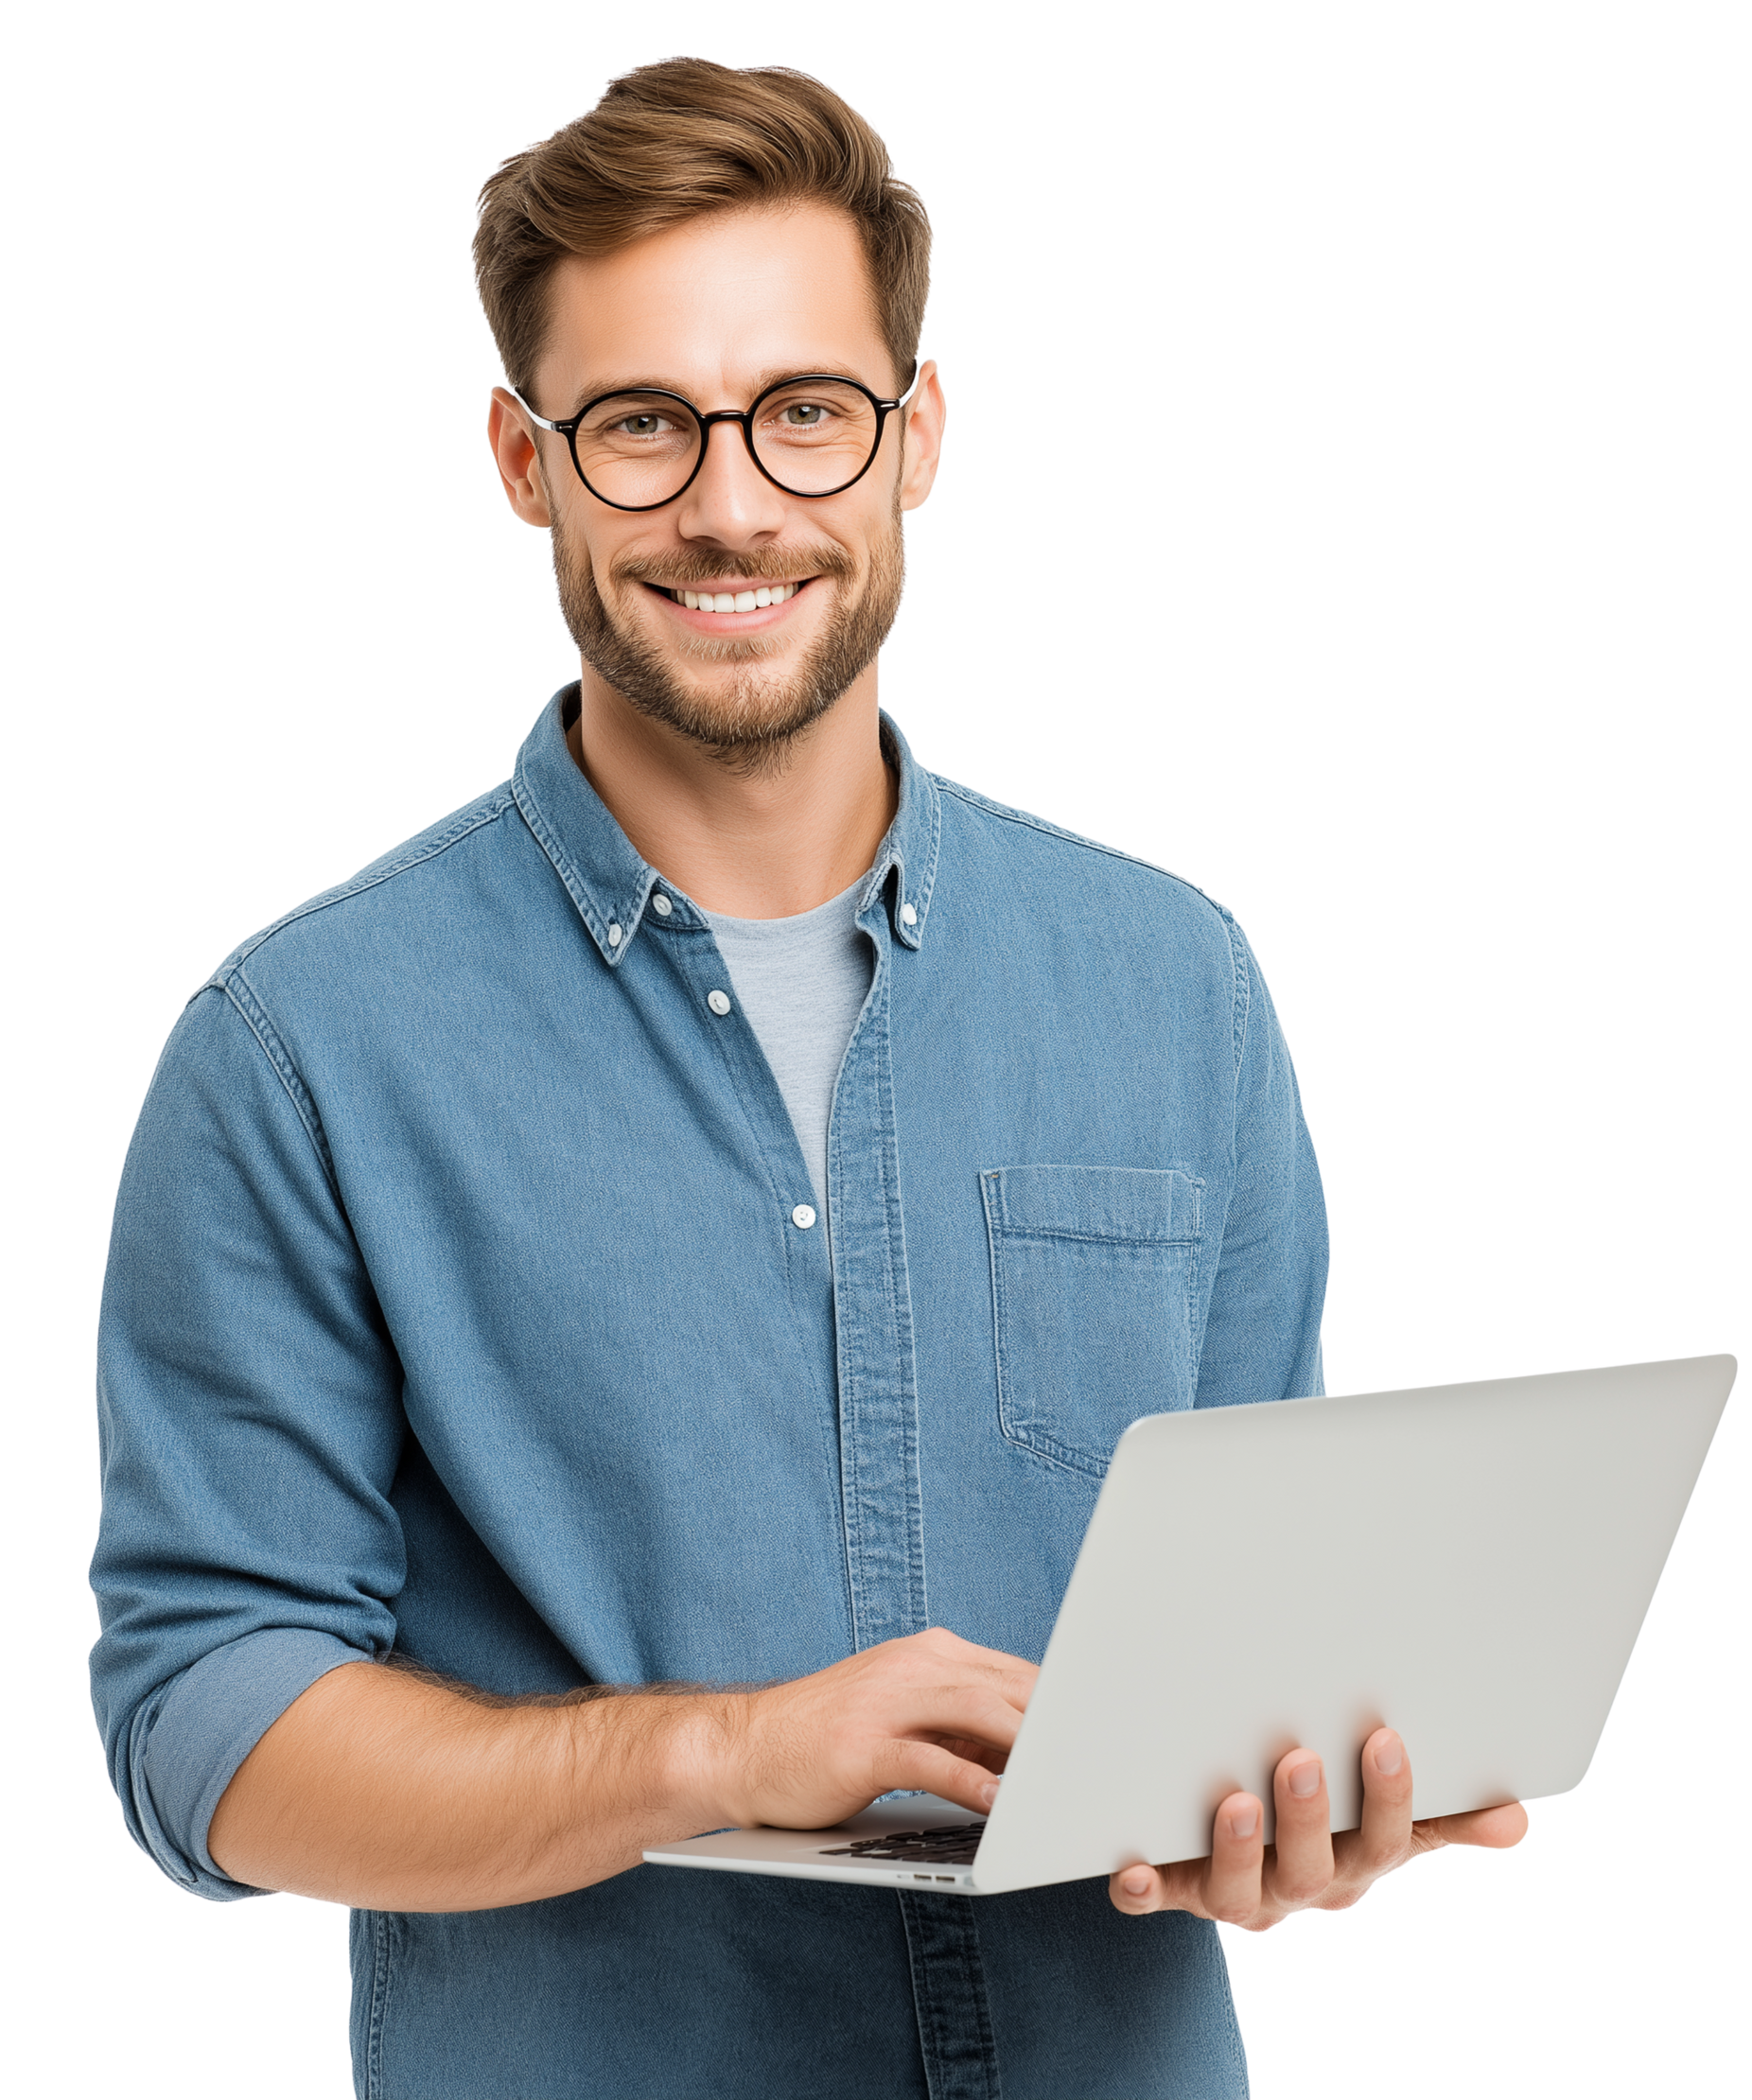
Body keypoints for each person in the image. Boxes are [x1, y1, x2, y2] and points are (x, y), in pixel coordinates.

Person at [87, 54, 1528, 2099]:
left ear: (916, 434)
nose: (734, 505)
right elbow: (204, 1733)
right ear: (521, 461)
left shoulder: (1179, 983)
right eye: (641, 424)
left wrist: (1305, 1809)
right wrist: (723, 1749)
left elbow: (1256, 1643)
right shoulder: (294, 1049)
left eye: (807, 412)